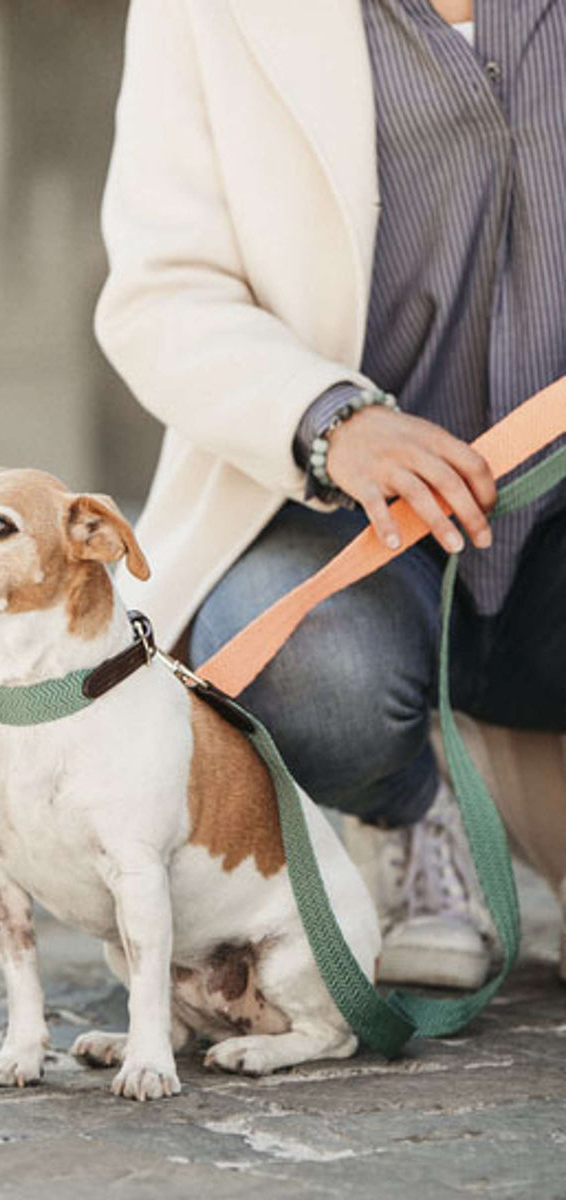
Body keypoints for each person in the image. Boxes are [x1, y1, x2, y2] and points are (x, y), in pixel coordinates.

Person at [95, 0, 566, 990]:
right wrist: (331, 420)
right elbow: (160, 291)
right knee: (313, 674)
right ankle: (412, 810)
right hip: (335, 504)